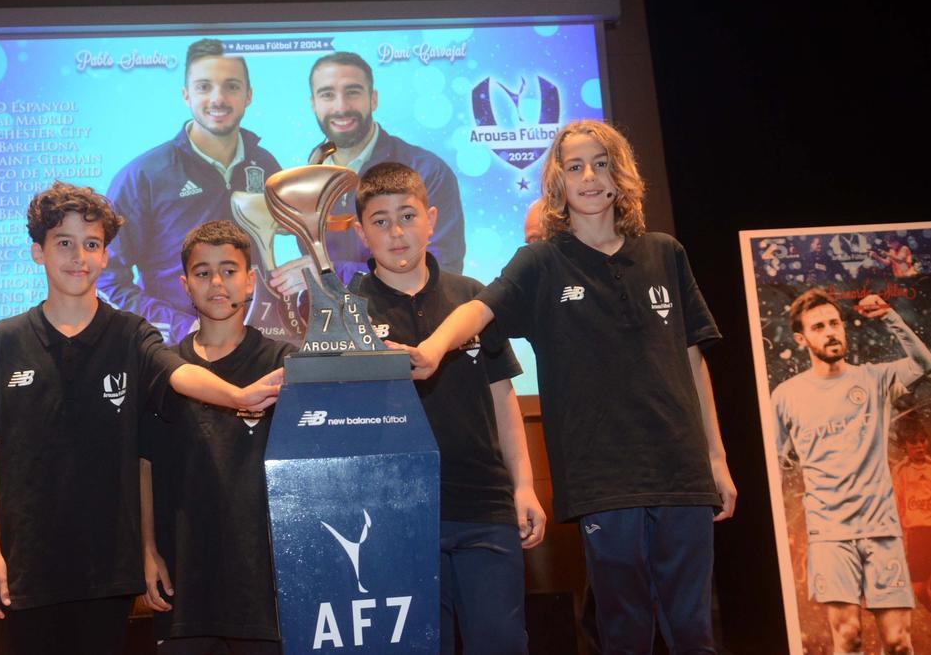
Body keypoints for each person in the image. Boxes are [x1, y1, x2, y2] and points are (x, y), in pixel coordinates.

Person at [401, 119, 737, 653]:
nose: (589, 176)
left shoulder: (665, 252)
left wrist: (716, 460)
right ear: (557, 180)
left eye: (601, 163)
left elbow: (694, 363)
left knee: (694, 634)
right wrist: (434, 347)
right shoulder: (541, 262)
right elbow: (478, 308)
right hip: (602, 479)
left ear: (620, 174)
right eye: (575, 165)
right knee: (623, 633)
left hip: (683, 474)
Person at [0, 182, 281, 655]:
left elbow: (179, 372)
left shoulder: (130, 335)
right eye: (63, 243)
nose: (78, 256)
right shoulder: (3, 341)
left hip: (107, 571)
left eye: (91, 245)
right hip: (24, 569)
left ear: (106, 256)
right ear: (37, 252)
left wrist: (236, 395)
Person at [349, 162, 545, 654]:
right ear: (360, 232)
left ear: (431, 219)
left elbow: (503, 398)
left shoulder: (471, 297)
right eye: (380, 220)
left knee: (500, 642)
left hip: (484, 505)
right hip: (395, 515)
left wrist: (524, 485)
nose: (396, 232)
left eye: (408, 216)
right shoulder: (348, 308)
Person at [138, 221, 293, 654]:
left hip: (264, 585)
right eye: (203, 273)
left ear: (251, 280)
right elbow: (145, 466)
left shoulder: (284, 363)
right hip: (186, 584)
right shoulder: (164, 370)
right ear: (185, 284)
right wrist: (148, 550)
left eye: (229, 269)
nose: (217, 283)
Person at [774, 288, 931, 654]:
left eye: (835, 323)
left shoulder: (874, 378)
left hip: (881, 531)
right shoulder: (786, 395)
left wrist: (891, 317)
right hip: (830, 535)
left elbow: (924, 364)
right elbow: (777, 456)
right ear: (801, 339)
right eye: (818, 327)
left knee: (897, 642)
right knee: (848, 638)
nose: (830, 332)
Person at [99, 38, 282, 343]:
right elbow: (107, 277)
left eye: (232, 86)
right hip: (177, 353)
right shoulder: (143, 175)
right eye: (204, 87)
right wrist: (180, 327)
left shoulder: (265, 165)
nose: (218, 98)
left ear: (248, 95)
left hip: (254, 344)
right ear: (186, 94)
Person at [269, 52, 465, 297]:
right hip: (329, 330)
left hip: (404, 328)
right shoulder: (304, 181)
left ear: (373, 99)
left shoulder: (427, 171)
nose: (341, 107)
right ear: (313, 104)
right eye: (327, 94)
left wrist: (333, 276)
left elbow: (442, 271)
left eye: (353, 92)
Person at [892, 417, 931, 647]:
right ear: (904, 446)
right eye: (913, 442)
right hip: (918, 535)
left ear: (926, 442)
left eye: (922, 441)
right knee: (919, 590)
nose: (919, 446)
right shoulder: (899, 472)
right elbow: (896, 504)